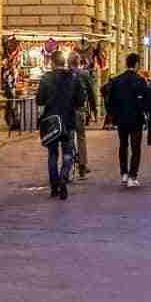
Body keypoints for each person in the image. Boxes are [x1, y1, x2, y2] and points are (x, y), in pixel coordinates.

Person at [36, 51, 85, 200]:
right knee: (68, 153)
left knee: (52, 154)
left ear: (52, 62)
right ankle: (64, 176)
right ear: (63, 63)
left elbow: (39, 100)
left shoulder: (46, 78)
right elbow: (81, 100)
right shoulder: (73, 78)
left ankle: (54, 186)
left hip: (51, 122)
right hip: (68, 121)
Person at [107, 52, 148, 187]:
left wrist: (112, 116)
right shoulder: (140, 81)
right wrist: (145, 115)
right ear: (136, 64)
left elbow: (110, 100)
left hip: (121, 119)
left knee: (123, 145)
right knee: (135, 147)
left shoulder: (117, 80)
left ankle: (124, 174)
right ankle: (132, 176)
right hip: (136, 119)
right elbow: (144, 101)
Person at [69, 53, 98, 181]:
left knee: (69, 138)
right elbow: (91, 92)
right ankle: (82, 166)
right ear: (79, 62)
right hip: (80, 110)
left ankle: (67, 165)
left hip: (67, 111)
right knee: (81, 137)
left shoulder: (65, 74)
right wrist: (94, 109)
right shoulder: (84, 74)